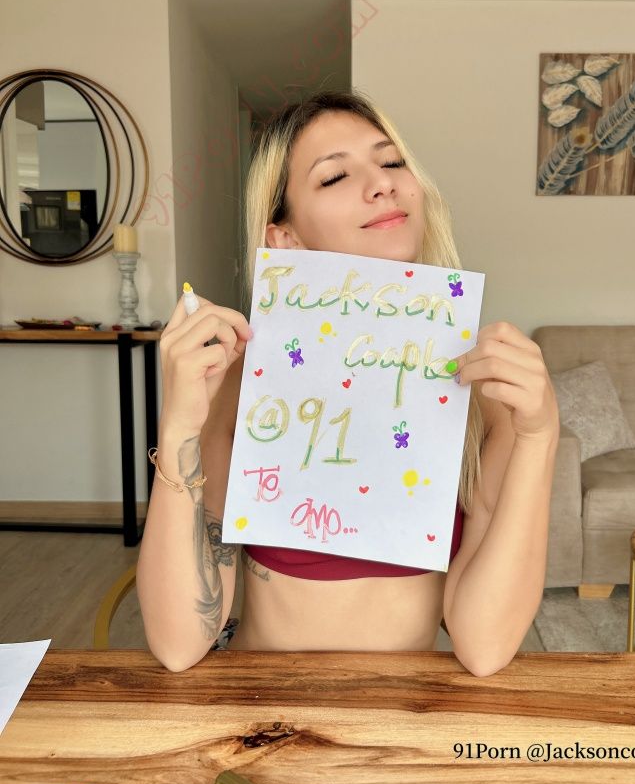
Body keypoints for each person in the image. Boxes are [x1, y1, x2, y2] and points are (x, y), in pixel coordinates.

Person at [136, 89, 560, 675]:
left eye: (392, 162)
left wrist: (540, 435)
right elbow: (180, 643)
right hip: (263, 710)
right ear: (285, 238)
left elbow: (484, 648)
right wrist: (179, 425)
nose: (382, 183)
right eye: (335, 176)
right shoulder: (241, 381)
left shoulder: (486, 389)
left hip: (405, 716)